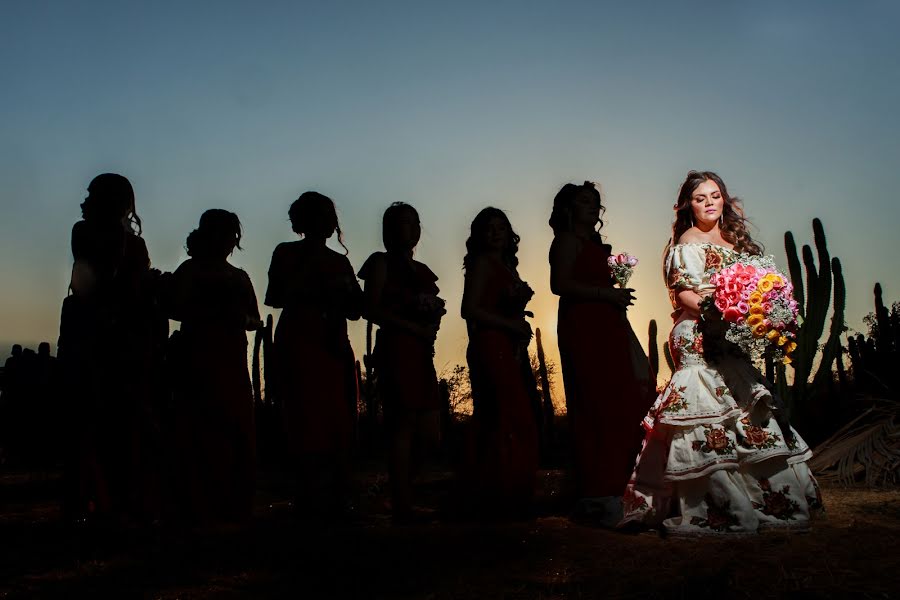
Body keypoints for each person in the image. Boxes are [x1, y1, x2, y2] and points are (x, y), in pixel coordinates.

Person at [620, 171, 821, 535]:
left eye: (715, 195)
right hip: (697, 333)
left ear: (723, 199)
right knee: (704, 413)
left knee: (743, 406)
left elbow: (753, 289)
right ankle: (714, 503)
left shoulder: (734, 241)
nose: (709, 202)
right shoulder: (686, 241)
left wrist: (759, 314)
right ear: (688, 205)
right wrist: (714, 312)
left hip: (732, 337)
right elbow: (682, 292)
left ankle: (768, 496)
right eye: (700, 198)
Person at [549, 181, 655, 525]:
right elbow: (560, 284)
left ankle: (621, 484)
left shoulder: (593, 245)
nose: (592, 207)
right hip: (583, 325)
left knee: (619, 398)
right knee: (596, 401)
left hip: (607, 323)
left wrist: (616, 295)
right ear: (568, 209)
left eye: (596, 202)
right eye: (584, 201)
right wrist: (604, 294)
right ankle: (598, 489)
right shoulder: (565, 240)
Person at [58, 173, 161, 524]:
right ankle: (85, 501)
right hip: (92, 329)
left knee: (115, 419)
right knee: (87, 416)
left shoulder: (128, 242)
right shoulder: (86, 232)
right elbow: (104, 275)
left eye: (91, 194)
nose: (84, 201)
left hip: (118, 335)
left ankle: (114, 501)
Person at [264, 191, 362, 518]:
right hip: (300, 341)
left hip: (332, 341)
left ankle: (337, 496)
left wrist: (345, 293)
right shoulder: (286, 253)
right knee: (304, 415)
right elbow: (275, 296)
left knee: (337, 415)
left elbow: (356, 310)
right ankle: (309, 497)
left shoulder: (340, 261)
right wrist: (315, 288)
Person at [165, 209, 261, 526]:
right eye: (224, 234)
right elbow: (175, 307)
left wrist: (239, 319)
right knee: (201, 428)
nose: (229, 241)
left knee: (234, 427)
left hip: (232, 359)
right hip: (199, 357)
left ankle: (231, 503)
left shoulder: (239, 276)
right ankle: (199, 504)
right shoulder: (191, 271)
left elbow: (254, 320)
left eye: (232, 235)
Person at [358, 202, 444, 523]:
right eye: (400, 222)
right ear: (388, 229)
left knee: (431, 433)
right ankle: (402, 504)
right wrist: (413, 327)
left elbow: (435, 309)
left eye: (412, 222)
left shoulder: (422, 271)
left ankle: (398, 493)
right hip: (396, 347)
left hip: (422, 351)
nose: (408, 228)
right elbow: (372, 309)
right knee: (403, 425)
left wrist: (431, 329)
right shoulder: (380, 263)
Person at [461, 207, 539, 516]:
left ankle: (510, 491)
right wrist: (509, 325)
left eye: (501, 227)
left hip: (507, 345)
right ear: (479, 235)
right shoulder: (482, 264)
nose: (495, 233)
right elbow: (469, 309)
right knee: (503, 415)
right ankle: (497, 495)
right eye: (488, 228)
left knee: (513, 415)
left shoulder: (507, 267)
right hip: (490, 344)